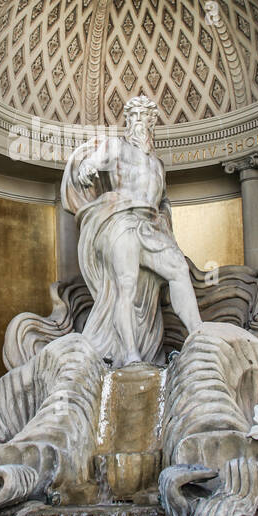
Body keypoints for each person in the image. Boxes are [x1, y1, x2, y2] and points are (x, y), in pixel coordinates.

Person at [62, 94, 201, 366]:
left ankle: (198, 335)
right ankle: (130, 354)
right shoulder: (117, 147)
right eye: (133, 116)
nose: (138, 122)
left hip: (149, 226)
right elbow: (95, 161)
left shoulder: (157, 164)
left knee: (179, 270)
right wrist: (87, 168)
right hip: (120, 221)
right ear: (127, 121)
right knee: (125, 286)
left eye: (143, 117)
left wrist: (165, 221)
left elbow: (162, 202)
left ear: (152, 122)